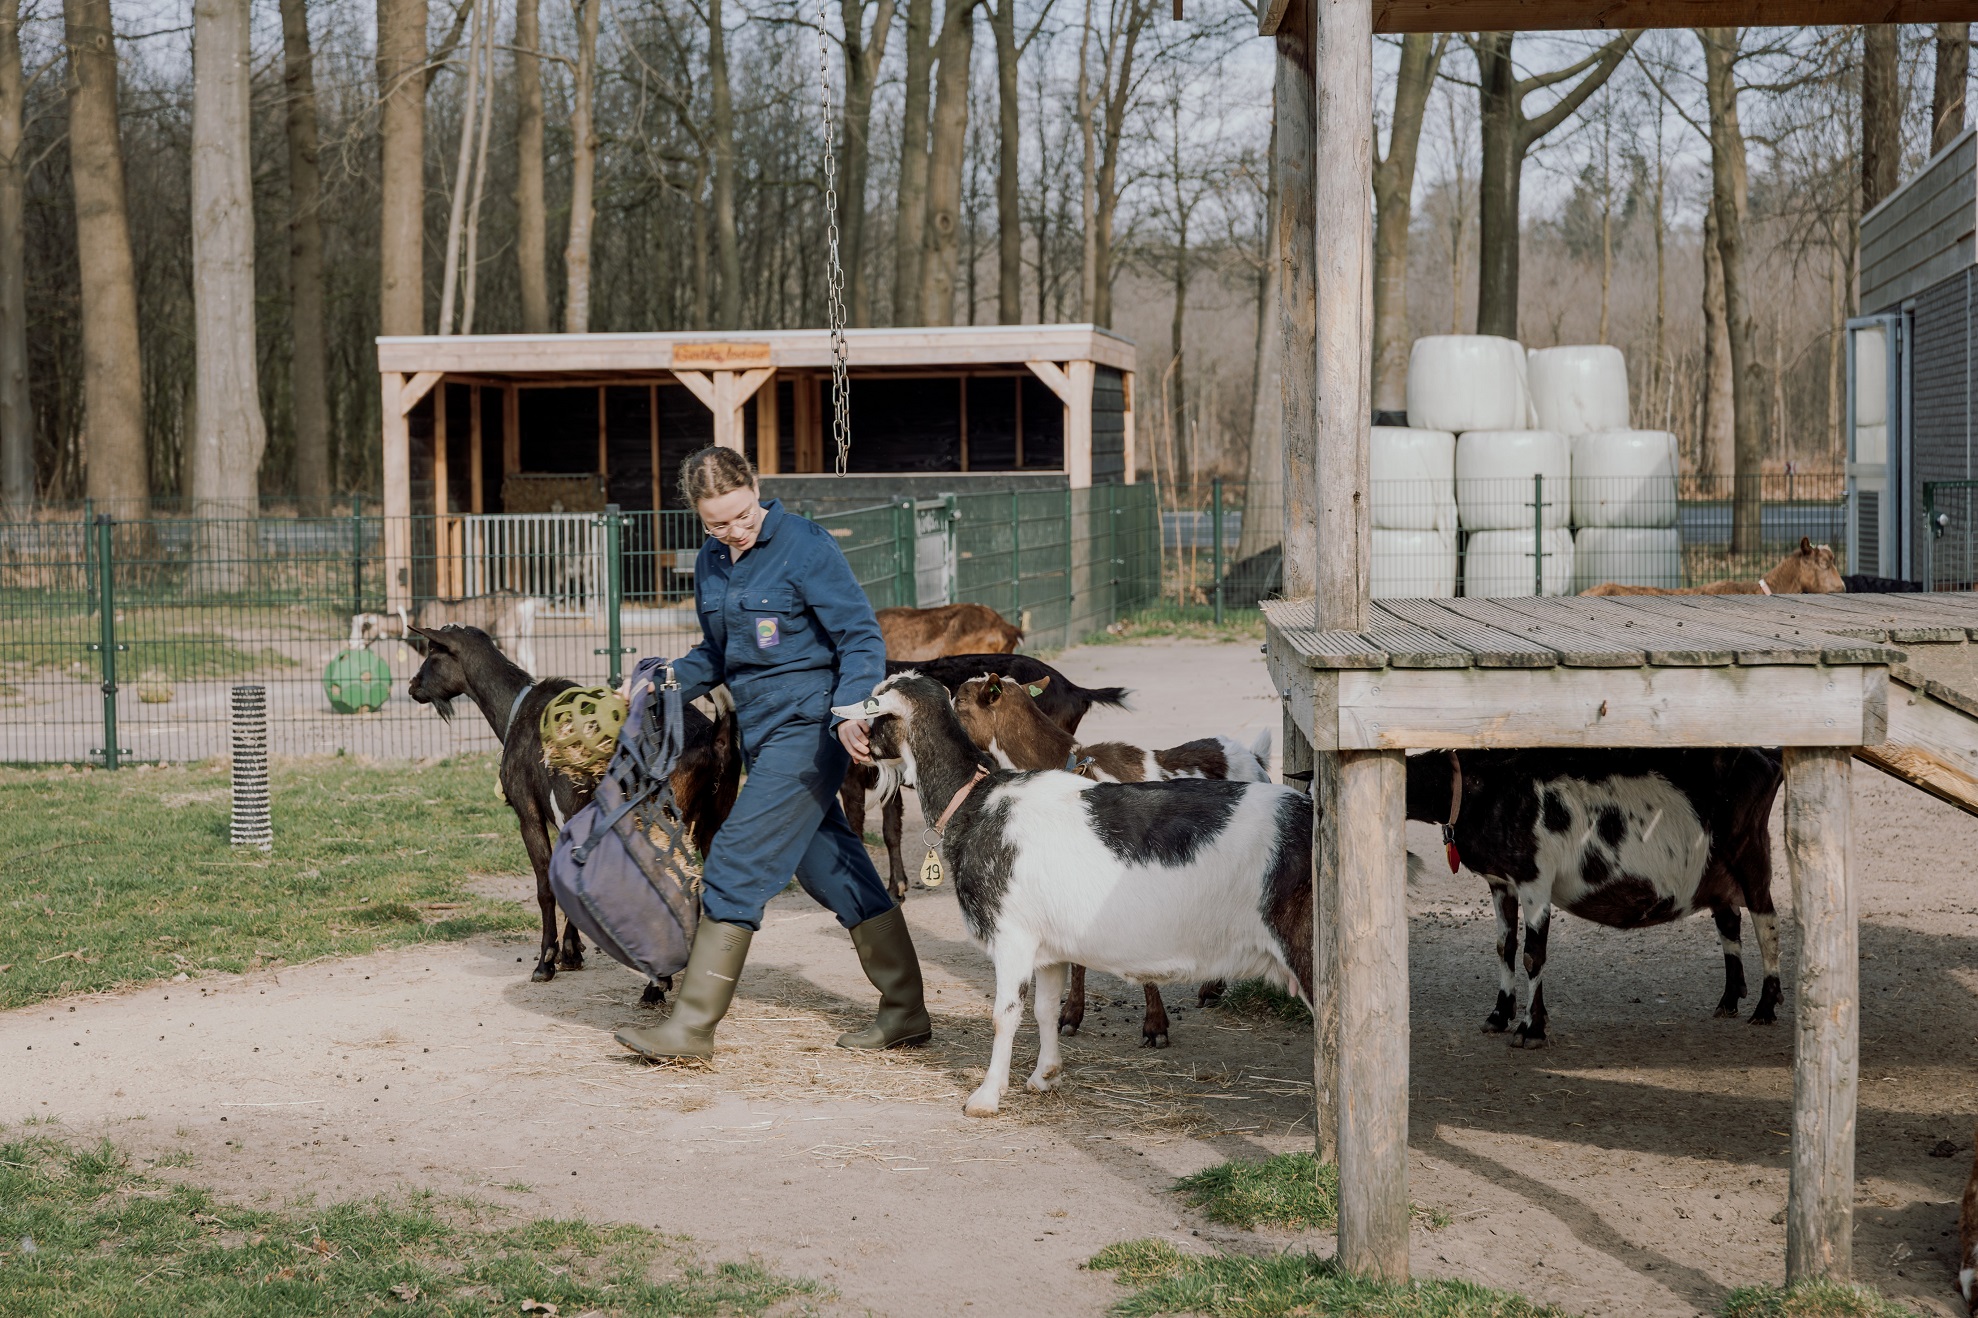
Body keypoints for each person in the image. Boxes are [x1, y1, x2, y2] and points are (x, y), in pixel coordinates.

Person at [614, 445, 931, 1062]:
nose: (733, 531)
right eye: (716, 523)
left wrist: (848, 712)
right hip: (762, 730)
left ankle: (691, 1028)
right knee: (829, 864)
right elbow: (717, 653)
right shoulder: (711, 562)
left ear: (755, 487)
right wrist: (664, 679)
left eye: (741, 515)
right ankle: (906, 1010)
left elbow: (860, 635)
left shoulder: (806, 546)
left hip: (810, 728)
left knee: (734, 860)